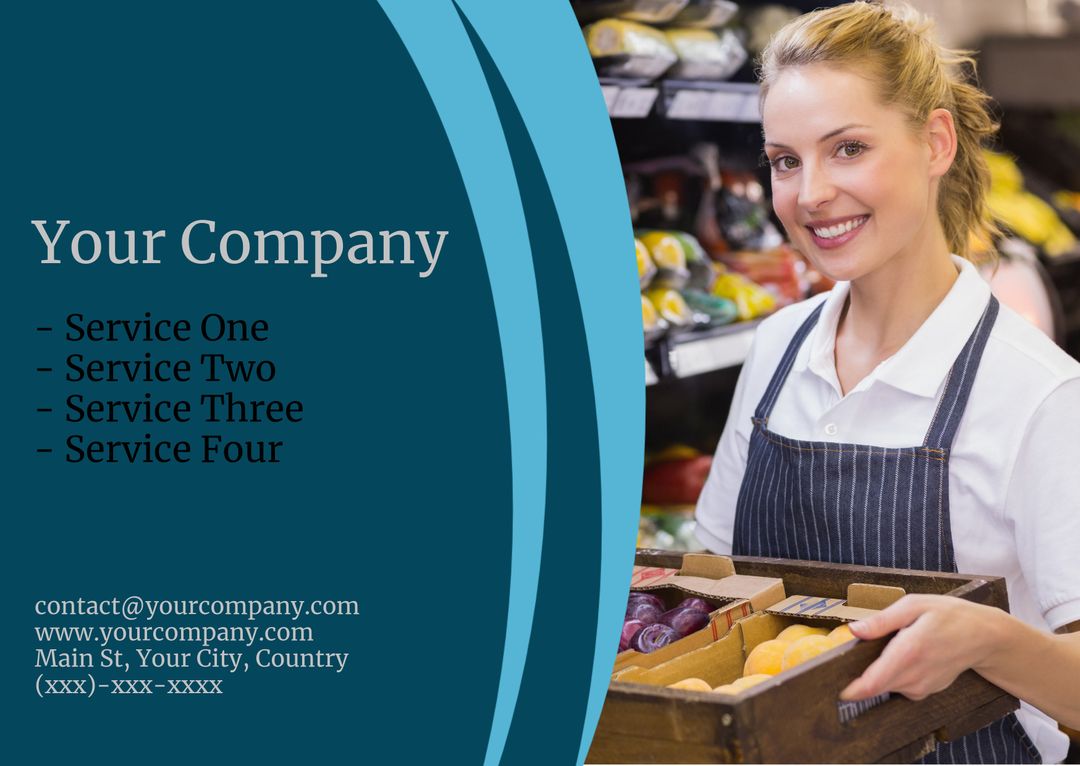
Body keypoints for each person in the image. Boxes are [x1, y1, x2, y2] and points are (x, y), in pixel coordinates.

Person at [692, 2, 1080, 763]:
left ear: (936, 142)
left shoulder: (1035, 393)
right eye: (785, 160)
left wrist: (989, 638)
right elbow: (714, 588)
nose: (809, 195)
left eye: (848, 149)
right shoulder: (776, 350)